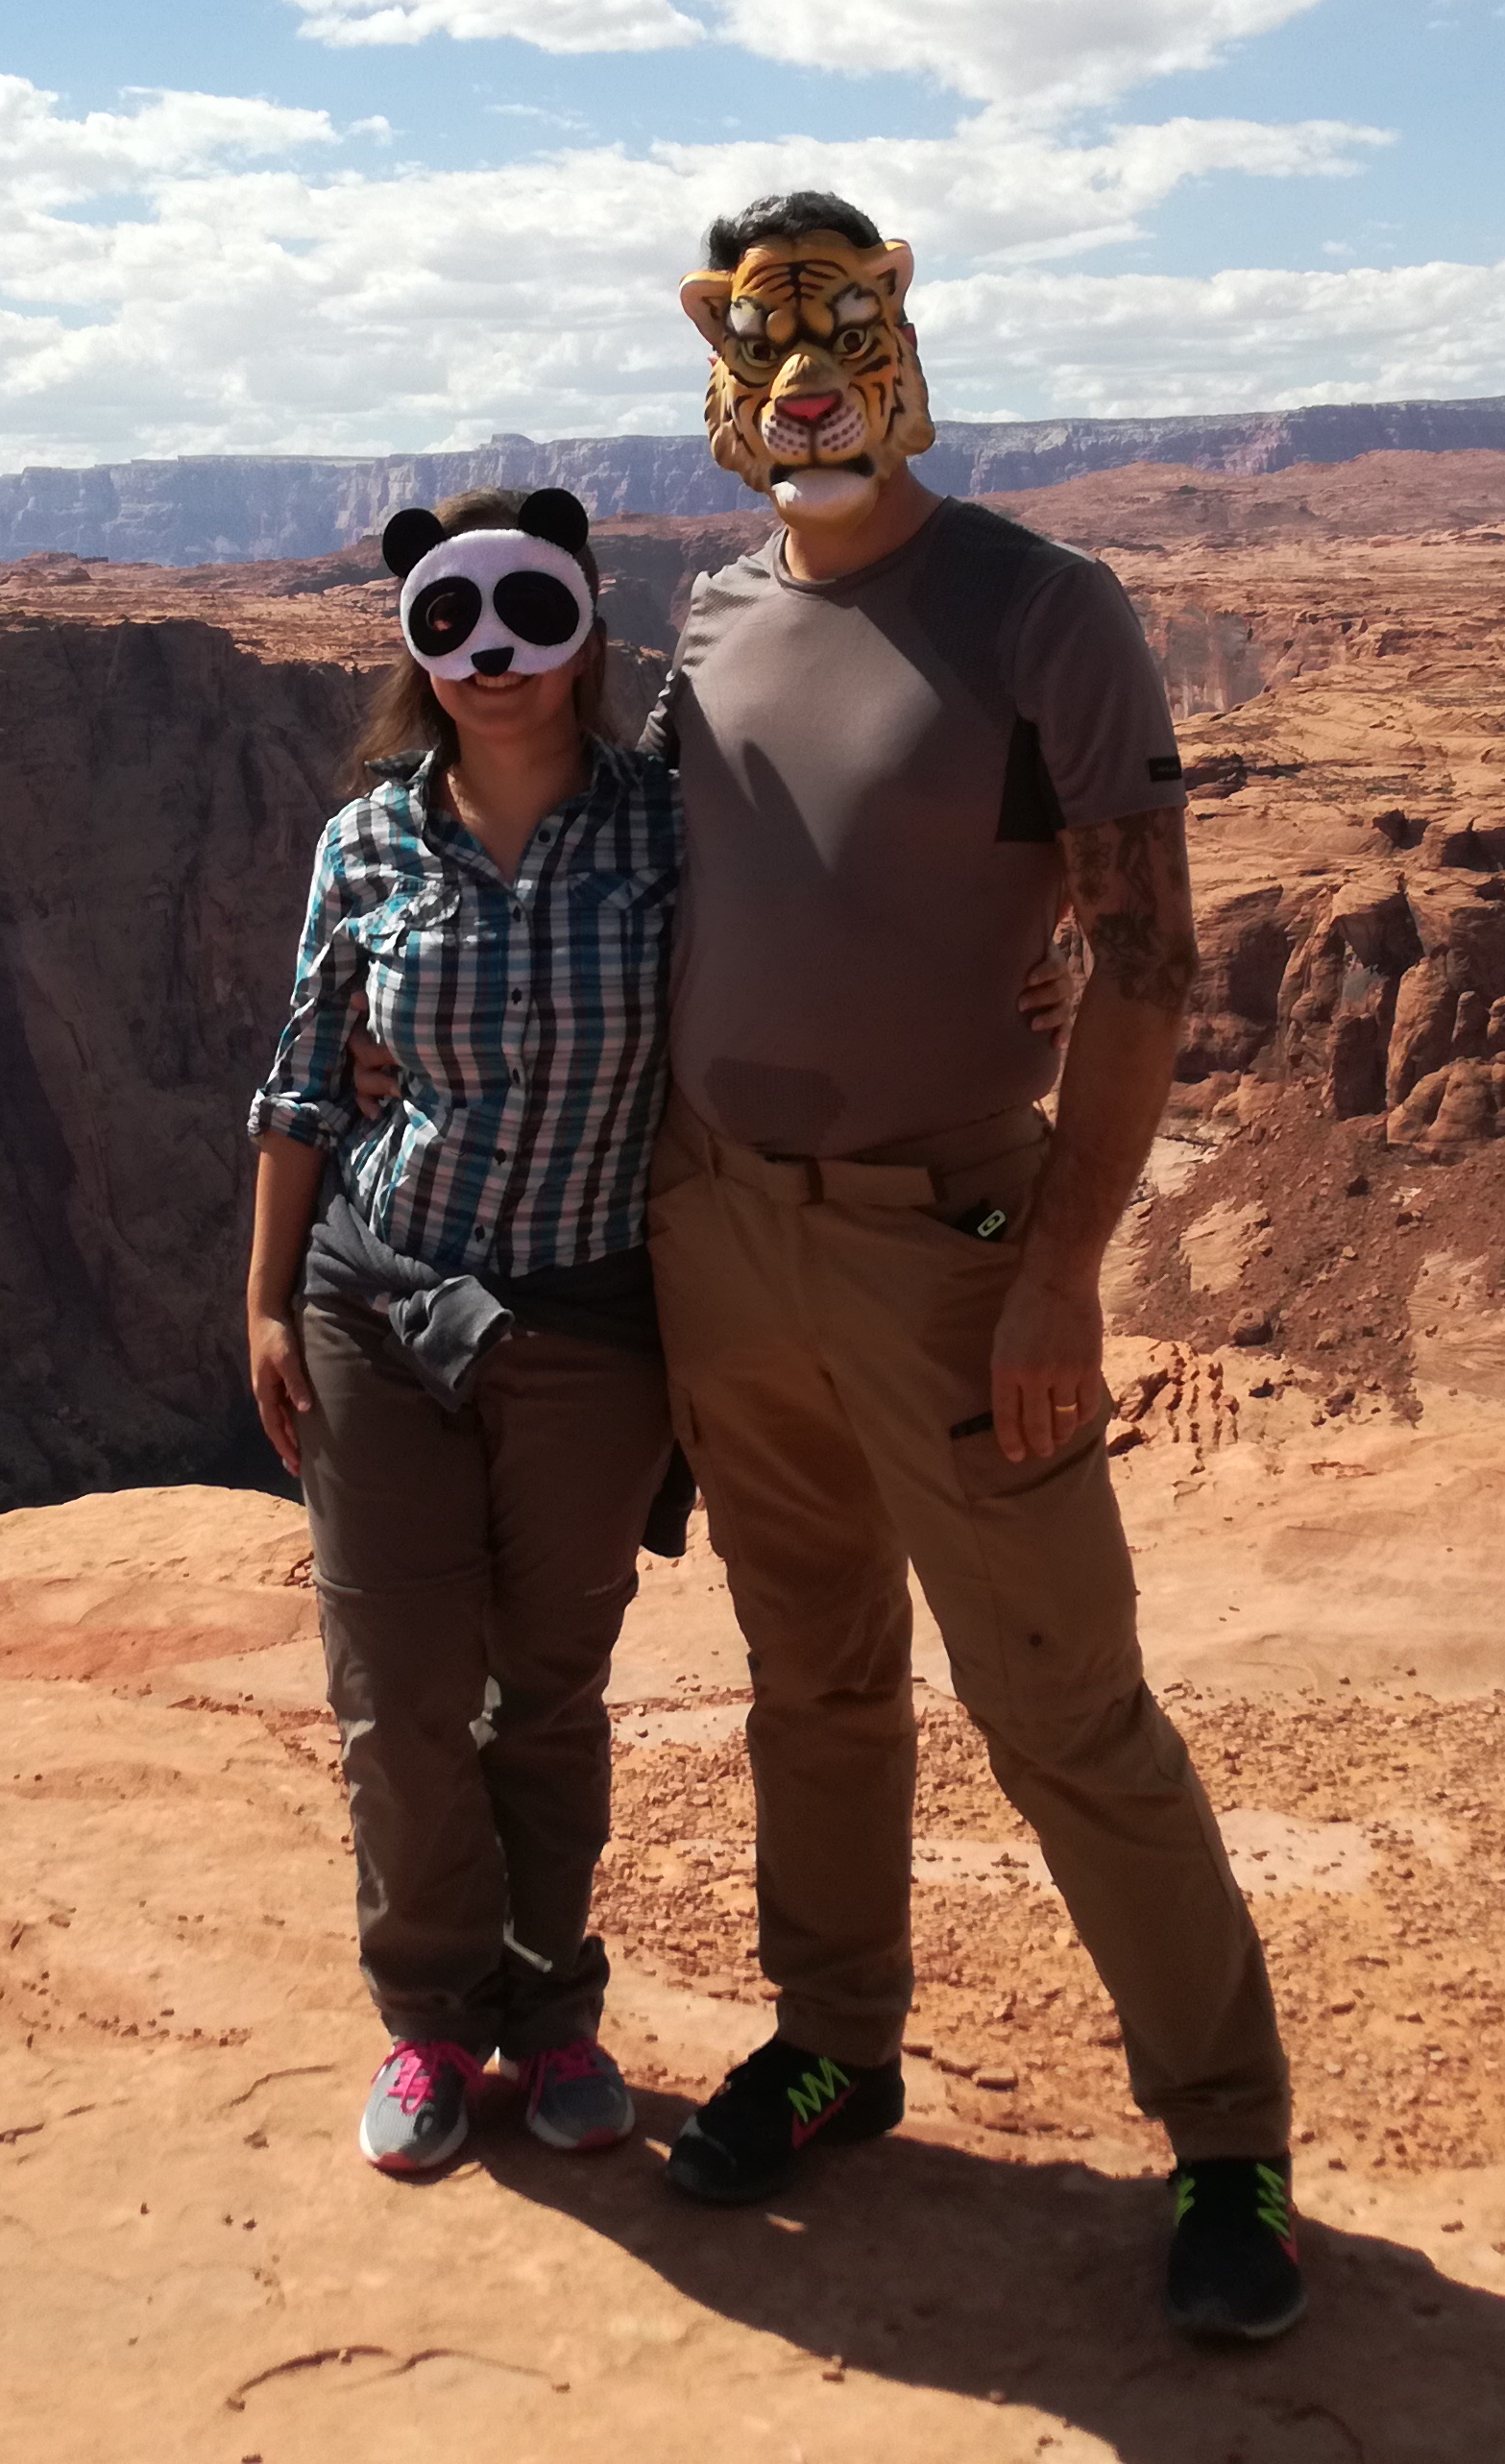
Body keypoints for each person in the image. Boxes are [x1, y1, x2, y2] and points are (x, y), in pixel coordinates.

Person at [640, 189, 1304, 2344]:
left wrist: (1064, 1270)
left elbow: (1149, 954)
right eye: (760, 339)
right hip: (719, 1229)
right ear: (715, 363)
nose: (800, 379)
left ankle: (1226, 2144)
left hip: (947, 1241)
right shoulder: (710, 611)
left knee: (1061, 1706)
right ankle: (835, 2043)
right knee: (809, 1677)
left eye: (835, 327)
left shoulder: (1041, 607)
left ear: (901, 339)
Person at [244, 485, 681, 2177]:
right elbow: (304, 1078)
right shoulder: (365, 841)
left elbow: (821, 953)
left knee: (548, 1696)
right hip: (379, 1297)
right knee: (399, 1696)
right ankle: (429, 2021)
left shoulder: (670, 830)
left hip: (591, 1321)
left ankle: (553, 2013)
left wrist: (1030, 986)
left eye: (529, 617)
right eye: (452, 623)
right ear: (415, 644)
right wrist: (265, 1299)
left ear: (585, 627)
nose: (493, 658)